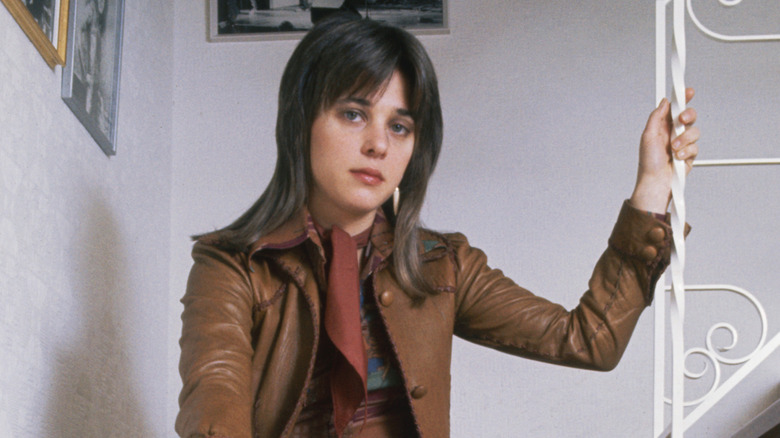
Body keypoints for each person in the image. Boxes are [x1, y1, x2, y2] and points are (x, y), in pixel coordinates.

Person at [176, 14, 699, 438]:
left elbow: (589, 340)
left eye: (399, 126)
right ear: (301, 120)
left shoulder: (441, 265)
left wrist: (651, 185)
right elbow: (214, 407)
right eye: (354, 114)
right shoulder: (232, 265)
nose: (378, 145)